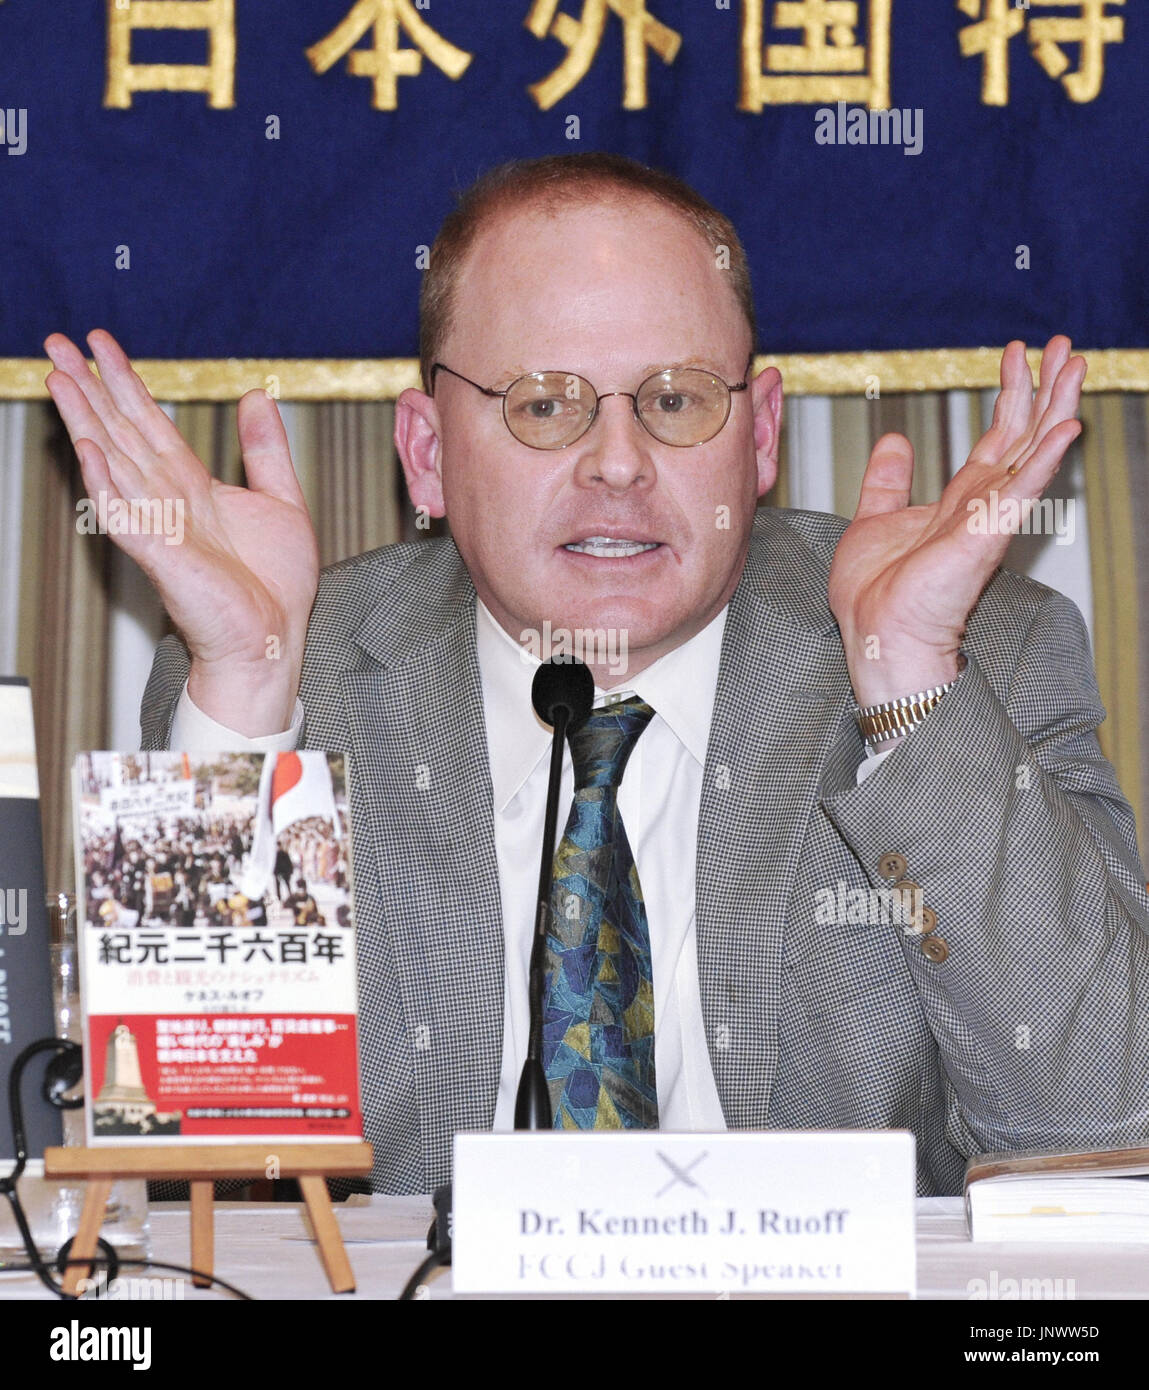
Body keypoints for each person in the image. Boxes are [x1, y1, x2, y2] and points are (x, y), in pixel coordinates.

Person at [45, 153, 1149, 1196]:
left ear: (758, 437)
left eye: (674, 401)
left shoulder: (969, 654)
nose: (617, 464)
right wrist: (243, 689)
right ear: (427, 453)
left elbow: (1113, 1135)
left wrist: (908, 680)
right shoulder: (289, 671)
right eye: (543, 404)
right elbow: (201, 1177)